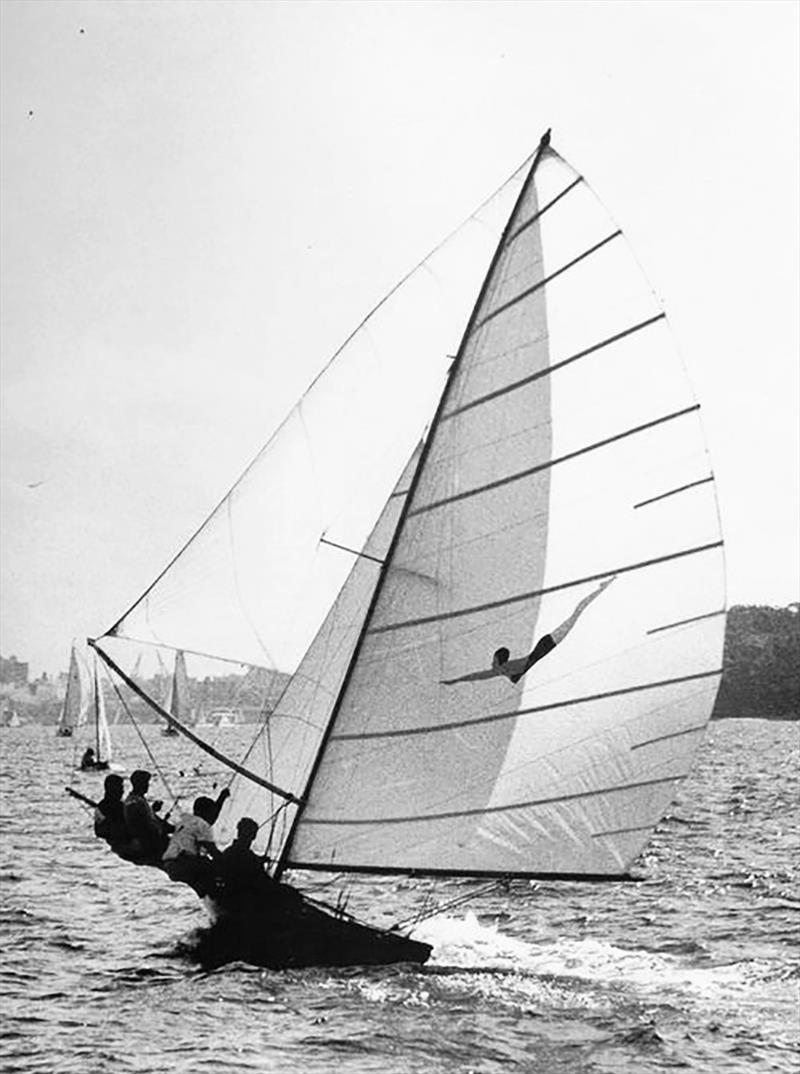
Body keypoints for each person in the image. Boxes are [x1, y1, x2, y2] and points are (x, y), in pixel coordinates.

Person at [441, 576, 616, 686]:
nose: (491, 663)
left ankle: (602, 588)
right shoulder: (504, 669)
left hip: (548, 644)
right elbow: (478, 676)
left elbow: (478, 676)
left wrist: (456, 681)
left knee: (576, 613)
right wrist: (456, 681)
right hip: (546, 645)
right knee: (575, 614)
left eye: (493, 660)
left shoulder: (504, 669)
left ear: (500, 662)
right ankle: (601, 588)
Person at [162, 788, 230, 894]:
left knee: (207, 863)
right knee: (217, 868)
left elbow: (212, 818)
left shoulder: (185, 821)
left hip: (169, 865)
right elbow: (213, 851)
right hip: (183, 865)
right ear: (206, 813)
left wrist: (221, 798)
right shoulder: (202, 825)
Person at [123, 769, 172, 863]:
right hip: (149, 843)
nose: (148, 785)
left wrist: (153, 810)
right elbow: (146, 824)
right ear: (140, 784)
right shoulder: (136, 802)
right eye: (146, 782)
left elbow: (147, 818)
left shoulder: (136, 800)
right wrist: (164, 829)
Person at [93, 773, 131, 852]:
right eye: (120, 788)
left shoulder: (103, 806)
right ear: (113, 789)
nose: (122, 791)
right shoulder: (109, 807)